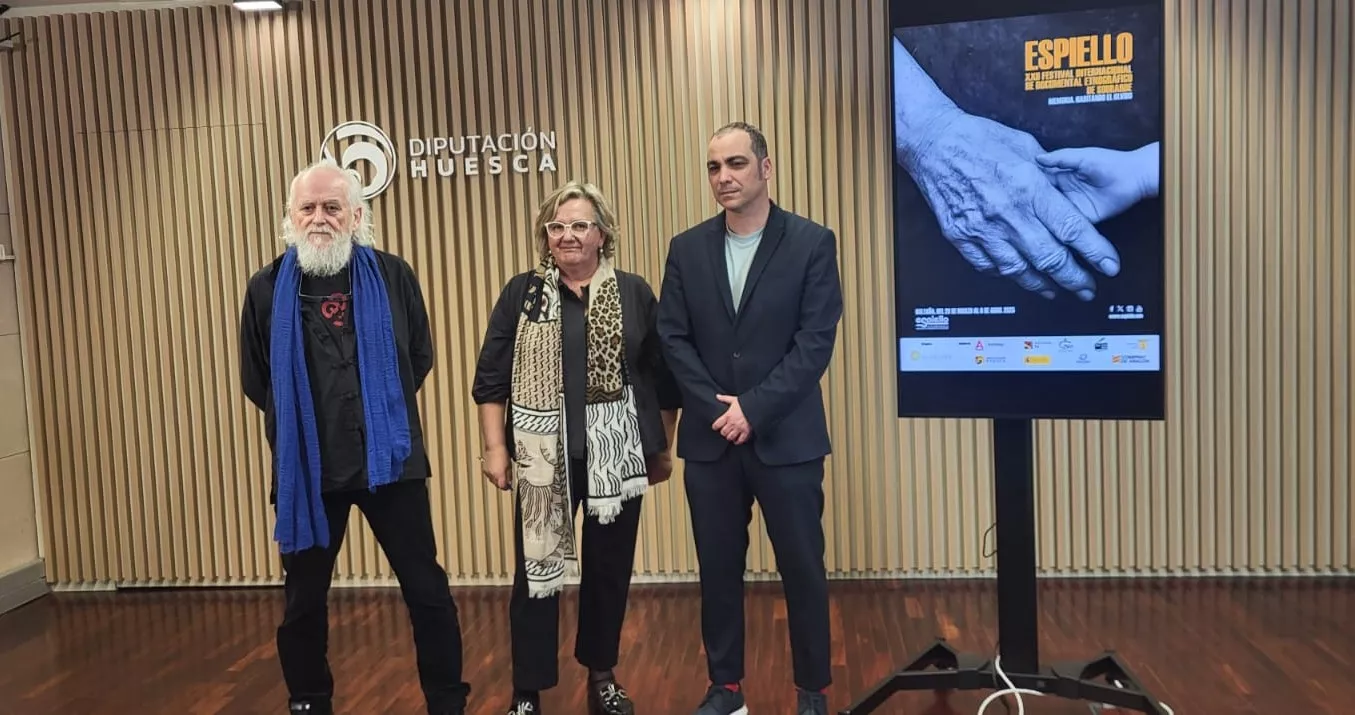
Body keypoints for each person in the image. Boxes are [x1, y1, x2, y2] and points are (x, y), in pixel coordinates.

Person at [239, 159, 471, 715]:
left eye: (331, 207)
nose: (319, 218)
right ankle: (309, 701)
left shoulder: (393, 275)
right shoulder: (266, 289)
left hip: (391, 464)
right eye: (308, 208)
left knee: (426, 588)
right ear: (291, 216)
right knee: (303, 602)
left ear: (357, 215)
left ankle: (447, 700)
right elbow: (257, 379)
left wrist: (378, 415)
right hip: (310, 471)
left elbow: (419, 356)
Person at [472, 180, 682, 715]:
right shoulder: (521, 293)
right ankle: (527, 688)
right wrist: (494, 450)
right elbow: (490, 379)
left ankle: (602, 675)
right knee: (535, 575)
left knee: (609, 573)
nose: (567, 235)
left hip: (616, 462)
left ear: (602, 234)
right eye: (557, 226)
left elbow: (662, 378)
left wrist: (661, 449)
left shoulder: (634, 292)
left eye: (579, 225)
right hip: (543, 461)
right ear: (546, 237)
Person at [657, 122, 843, 715]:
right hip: (712, 443)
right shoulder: (686, 249)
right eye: (713, 167)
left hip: (787, 439)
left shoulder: (813, 242)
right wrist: (720, 410)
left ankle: (812, 689)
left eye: (735, 164)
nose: (723, 177)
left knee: (802, 570)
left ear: (766, 168)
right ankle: (726, 688)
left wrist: (754, 410)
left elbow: (814, 343)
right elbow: (672, 338)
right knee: (717, 571)